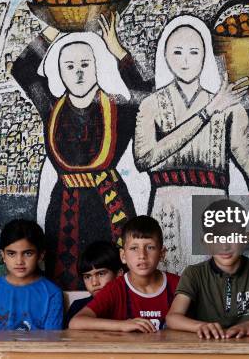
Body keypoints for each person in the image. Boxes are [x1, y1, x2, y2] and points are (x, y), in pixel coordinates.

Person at [116, 14, 249, 274]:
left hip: (213, 212)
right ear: (166, 56)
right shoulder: (152, 105)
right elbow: (144, 158)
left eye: (194, 52)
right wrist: (206, 113)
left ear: (205, 56)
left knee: (211, 295)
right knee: (171, 291)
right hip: (167, 211)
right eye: (177, 52)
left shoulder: (228, 107)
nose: (185, 60)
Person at [11, 14, 149, 289]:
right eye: (69, 66)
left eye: (85, 64)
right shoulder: (51, 107)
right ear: (60, 72)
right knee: (67, 284)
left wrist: (117, 49)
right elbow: (23, 70)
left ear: (97, 67)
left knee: (117, 282)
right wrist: (55, 27)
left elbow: (144, 94)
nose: (78, 72)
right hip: (65, 207)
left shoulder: (117, 110)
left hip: (111, 206)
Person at [166, 199, 249, 339]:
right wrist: (200, 326)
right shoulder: (194, 273)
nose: (224, 246)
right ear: (205, 242)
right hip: (207, 350)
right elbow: (172, 318)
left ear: (245, 238)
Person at [68, 215, 180, 332]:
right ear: (123, 256)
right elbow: (76, 322)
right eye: (134, 248)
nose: (142, 255)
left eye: (150, 247)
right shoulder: (115, 288)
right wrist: (122, 325)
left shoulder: (179, 284)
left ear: (162, 254)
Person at [0, 219, 63, 335]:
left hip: (37, 353)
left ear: (41, 255)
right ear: (3, 256)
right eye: (11, 253)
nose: (19, 261)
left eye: (28, 253)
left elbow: (50, 341)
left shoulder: (52, 293)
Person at [63, 240, 124, 328]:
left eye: (101, 274)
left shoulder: (128, 304)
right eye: (87, 277)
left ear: (119, 274)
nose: (94, 283)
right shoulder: (78, 307)